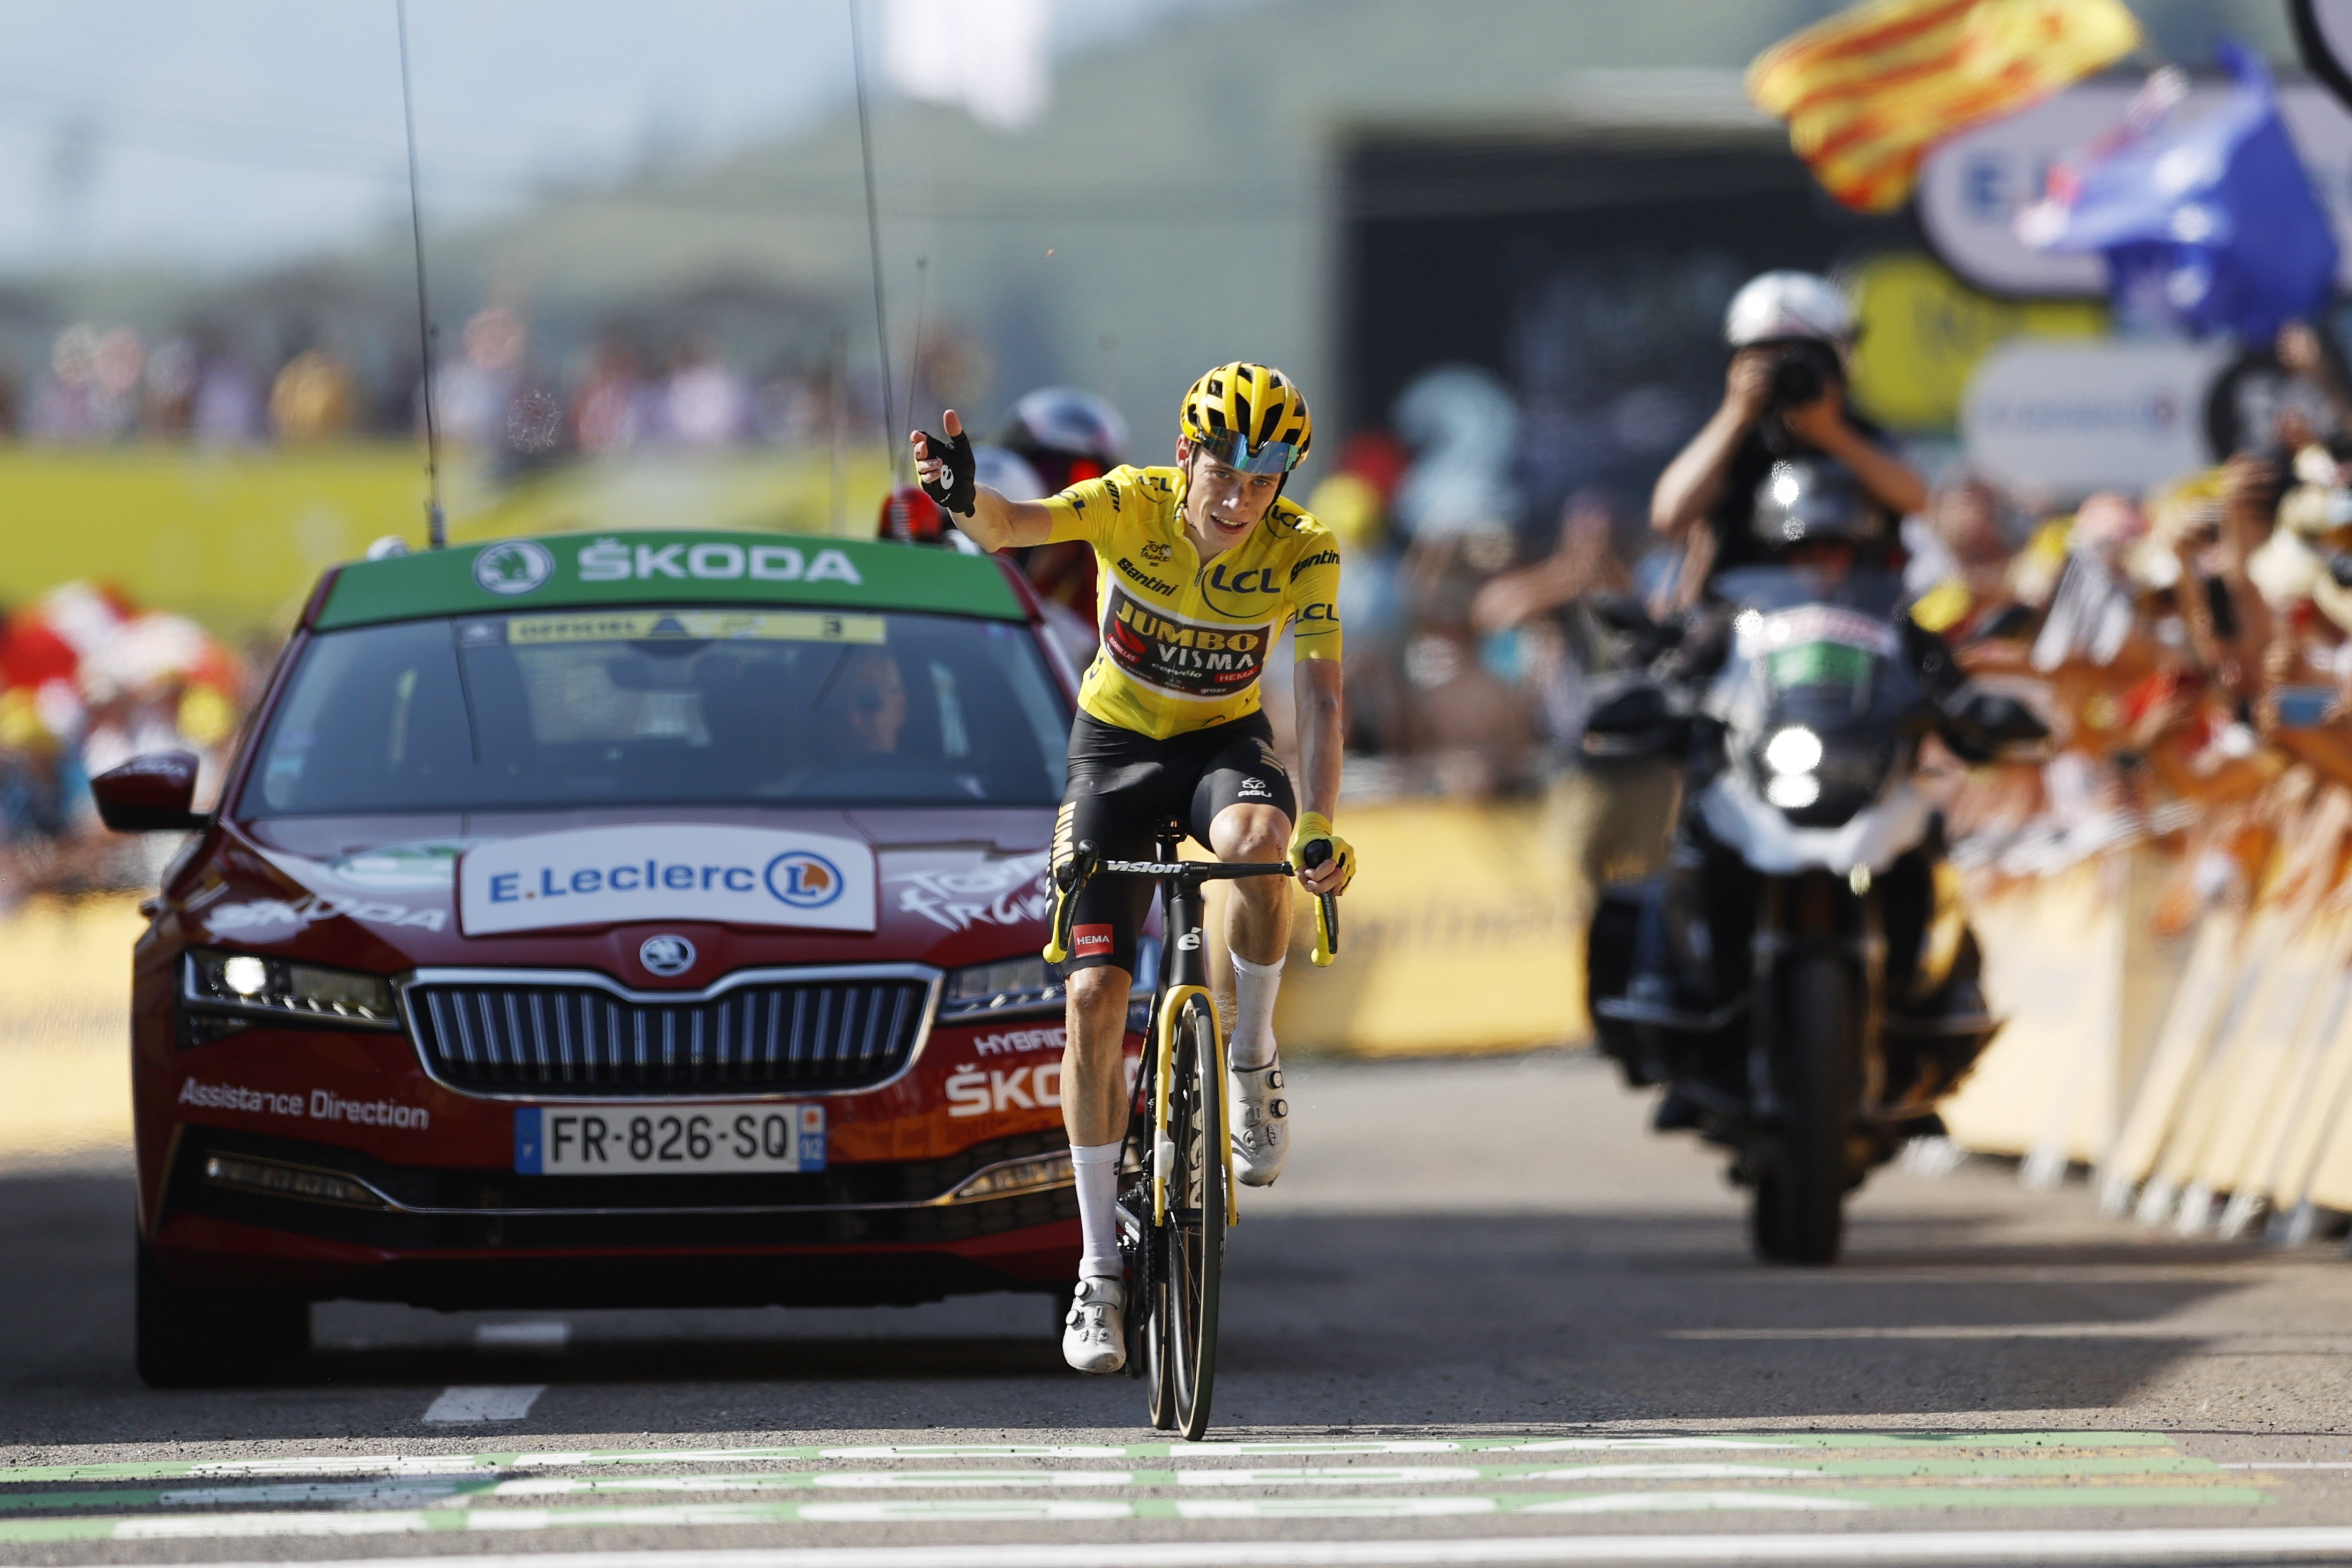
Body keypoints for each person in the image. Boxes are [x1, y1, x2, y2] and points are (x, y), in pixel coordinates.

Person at [911, 363, 1356, 1375]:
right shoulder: (1128, 504)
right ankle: (1098, 1272)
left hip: (1223, 751)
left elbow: (1323, 702)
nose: (1241, 498)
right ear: (1184, 456)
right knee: (1092, 999)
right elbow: (1013, 528)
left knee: (1258, 847)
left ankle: (1250, 1060)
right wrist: (960, 495)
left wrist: (1322, 818)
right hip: (1113, 753)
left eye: (1267, 476)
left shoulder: (1304, 548)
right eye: (1225, 473)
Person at [1650, 272, 1926, 604]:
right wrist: (1736, 414)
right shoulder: (1736, 445)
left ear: (1841, 360)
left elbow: (1918, 500)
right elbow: (1669, 514)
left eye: (1805, 357)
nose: (1786, 371)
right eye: (1768, 357)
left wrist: (1832, 435)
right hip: (1745, 626)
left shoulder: (1864, 436)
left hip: (1865, 618)